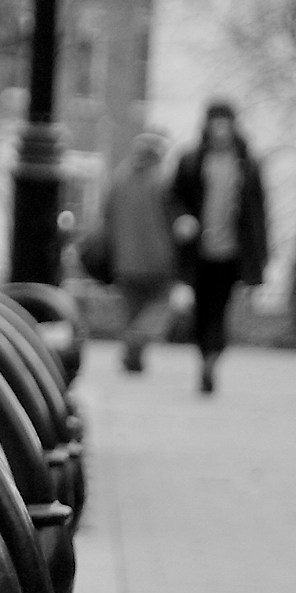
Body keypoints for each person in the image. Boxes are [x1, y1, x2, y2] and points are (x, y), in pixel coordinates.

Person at [167, 101, 268, 395]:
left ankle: (212, 359)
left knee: (219, 311)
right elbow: (173, 198)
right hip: (197, 252)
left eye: (226, 124)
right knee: (200, 311)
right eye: (216, 123)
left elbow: (257, 214)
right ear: (208, 126)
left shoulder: (247, 164)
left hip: (231, 253)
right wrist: (181, 218)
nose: (221, 130)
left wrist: (260, 258)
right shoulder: (191, 161)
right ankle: (205, 356)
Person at [101, 132, 176, 373]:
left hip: (124, 258)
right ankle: (138, 339)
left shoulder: (119, 178)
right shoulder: (162, 180)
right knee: (160, 304)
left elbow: (107, 216)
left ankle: (134, 359)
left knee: (132, 310)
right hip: (158, 258)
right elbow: (172, 218)